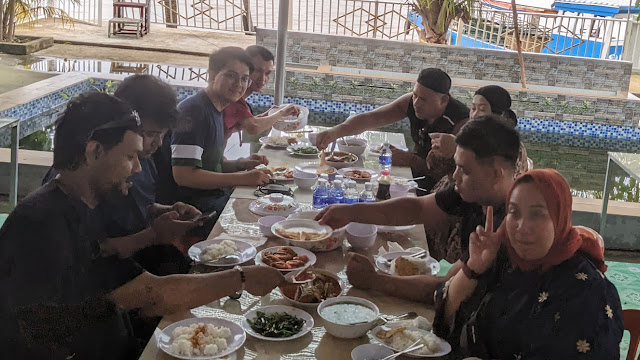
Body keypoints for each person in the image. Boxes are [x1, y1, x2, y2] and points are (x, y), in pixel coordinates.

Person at [0, 92, 284, 360]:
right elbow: (154, 295)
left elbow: (136, 288)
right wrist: (242, 279)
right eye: (129, 157)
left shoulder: (84, 206)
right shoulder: (41, 225)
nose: (137, 168)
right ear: (94, 151)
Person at [316, 116, 520, 303]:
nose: (455, 176)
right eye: (456, 166)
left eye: (464, 170)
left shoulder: (509, 228)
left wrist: (373, 280)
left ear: (495, 175)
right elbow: (416, 209)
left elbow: (446, 288)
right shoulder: (477, 191)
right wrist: (346, 212)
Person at [432, 169, 624, 359]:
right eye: (514, 212)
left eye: (537, 215)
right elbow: (444, 315)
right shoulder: (505, 259)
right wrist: (473, 270)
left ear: (559, 218)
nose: (522, 227)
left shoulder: (587, 293)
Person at [315, 68, 469, 192]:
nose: (416, 103)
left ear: (444, 100)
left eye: (423, 99)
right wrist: (335, 132)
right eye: (415, 95)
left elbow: (453, 174)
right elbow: (371, 118)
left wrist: (411, 160)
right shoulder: (411, 103)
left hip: (440, 190)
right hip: (413, 176)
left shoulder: (460, 123)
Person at [426, 85, 532, 261]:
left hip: (469, 219)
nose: (474, 115)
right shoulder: (467, 136)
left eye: (482, 110)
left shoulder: (509, 150)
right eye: (473, 108)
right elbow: (434, 168)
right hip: (448, 200)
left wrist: (455, 150)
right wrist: (440, 151)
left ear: (498, 115)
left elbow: (496, 189)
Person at [171, 47, 273, 218]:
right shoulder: (194, 112)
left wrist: (241, 164)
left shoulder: (216, 109)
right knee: (262, 215)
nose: (239, 84)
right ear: (211, 75)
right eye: (231, 75)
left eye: (244, 79)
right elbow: (184, 175)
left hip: (214, 196)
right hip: (196, 207)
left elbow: (210, 165)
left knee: (276, 201)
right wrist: (243, 178)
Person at [221, 45, 300, 140]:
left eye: (267, 73)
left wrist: (268, 114)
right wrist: (281, 112)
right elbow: (254, 127)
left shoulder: (239, 100)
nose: (262, 79)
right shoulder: (232, 97)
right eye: (258, 71)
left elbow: (245, 123)